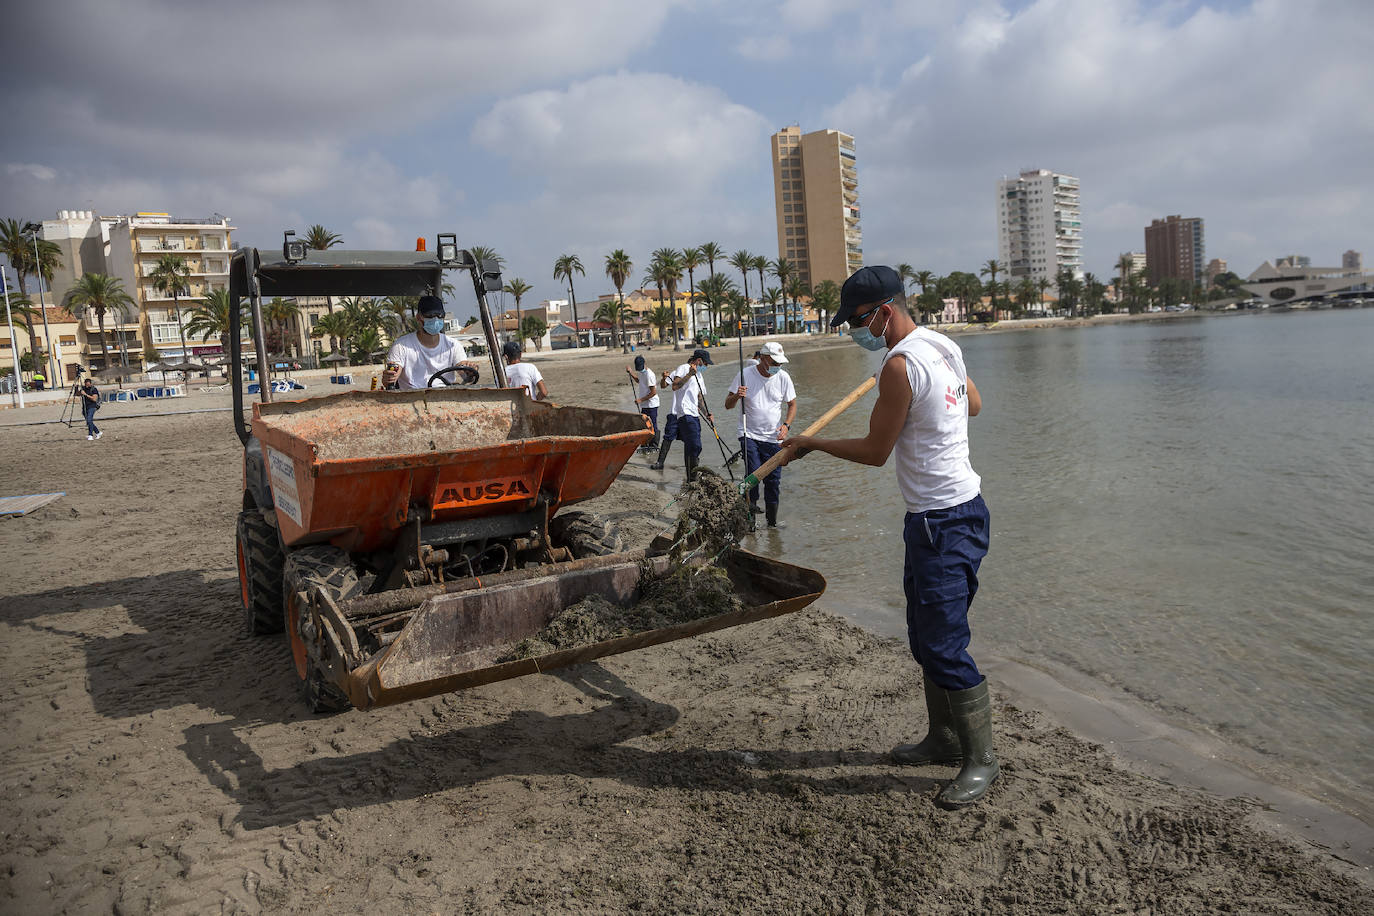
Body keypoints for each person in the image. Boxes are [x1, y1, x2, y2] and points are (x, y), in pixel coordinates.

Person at [780, 265, 994, 808]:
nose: (857, 332)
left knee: (945, 644)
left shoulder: (900, 366)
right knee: (925, 637)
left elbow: (877, 453)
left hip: (945, 519)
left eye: (858, 321)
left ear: (885, 311)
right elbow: (972, 404)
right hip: (943, 515)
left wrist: (813, 442)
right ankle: (943, 738)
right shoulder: (942, 346)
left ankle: (980, 760)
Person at [724, 341, 796, 527]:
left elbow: (792, 404)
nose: (777, 367)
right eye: (774, 363)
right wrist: (736, 396)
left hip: (774, 438)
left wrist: (786, 426)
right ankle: (750, 523)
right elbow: (728, 404)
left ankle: (772, 525)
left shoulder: (783, 378)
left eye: (780, 364)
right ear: (763, 359)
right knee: (754, 475)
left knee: (773, 482)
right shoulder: (745, 375)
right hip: (749, 434)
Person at [381, 295, 479, 390]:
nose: (436, 320)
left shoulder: (453, 345)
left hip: (446, 396)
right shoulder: (401, 346)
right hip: (411, 398)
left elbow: (463, 370)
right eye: (430, 316)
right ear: (419, 318)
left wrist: (469, 371)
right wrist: (389, 378)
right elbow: (391, 379)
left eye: (440, 316)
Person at [651, 348, 714, 477]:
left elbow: (699, 398)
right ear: (698, 361)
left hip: (694, 415)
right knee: (694, 445)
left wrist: (707, 413)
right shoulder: (684, 368)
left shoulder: (700, 376)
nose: (706, 367)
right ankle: (691, 475)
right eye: (705, 364)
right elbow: (673, 386)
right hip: (684, 413)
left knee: (691, 445)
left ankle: (690, 477)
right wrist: (689, 374)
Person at [626, 355, 660, 452]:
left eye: (641, 367)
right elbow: (639, 381)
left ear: (644, 364)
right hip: (645, 404)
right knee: (644, 424)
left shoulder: (649, 375)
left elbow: (653, 392)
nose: (640, 370)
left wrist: (641, 400)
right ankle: (645, 444)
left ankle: (654, 445)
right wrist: (631, 372)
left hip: (652, 404)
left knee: (652, 424)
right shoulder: (642, 372)